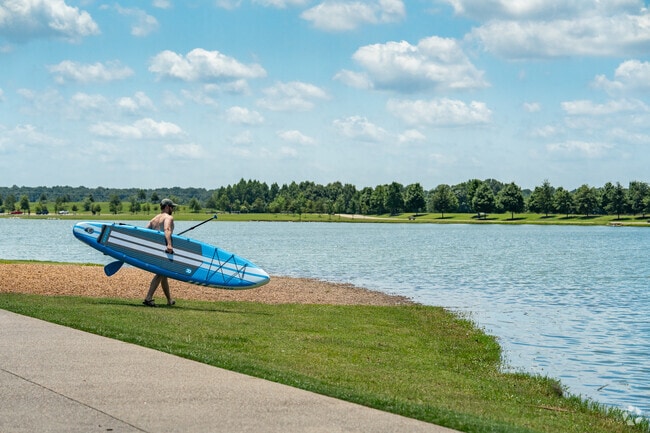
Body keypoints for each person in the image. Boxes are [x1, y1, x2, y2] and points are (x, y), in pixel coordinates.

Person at [143, 198, 178, 307]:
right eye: (172, 207)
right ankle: (148, 298)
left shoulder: (153, 220)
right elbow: (167, 229)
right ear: (167, 207)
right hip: (164, 249)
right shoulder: (168, 217)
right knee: (161, 272)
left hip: (155, 249)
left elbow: (145, 233)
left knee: (163, 274)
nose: (173, 209)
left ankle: (169, 300)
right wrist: (169, 244)